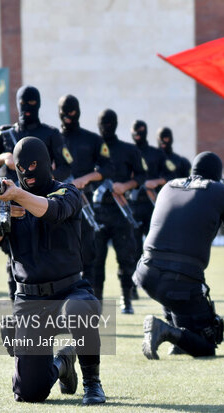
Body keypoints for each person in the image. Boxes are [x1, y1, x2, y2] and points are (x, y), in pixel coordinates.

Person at [0, 137, 105, 405]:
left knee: (79, 311)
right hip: (30, 302)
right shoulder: (9, 201)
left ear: (46, 164)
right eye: (21, 168)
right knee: (29, 394)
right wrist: (1, 215)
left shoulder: (67, 192)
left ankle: (93, 384)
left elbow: (53, 211)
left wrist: (17, 195)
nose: (27, 173)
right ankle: (62, 364)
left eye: (33, 165)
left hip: (69, 293)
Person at [133, 151, 224, 359]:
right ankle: (166, 330)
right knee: (206, 344)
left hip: (146, 274)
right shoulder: (219, 191)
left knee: (175, 290)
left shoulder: (168, 186)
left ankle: (175, 334)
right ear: (217, 175)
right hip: (179, 280)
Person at [0, 85, 73, 300]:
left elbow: (67, 166)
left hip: (43, 201)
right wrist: (2, 158)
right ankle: (19, 306)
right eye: (23, 104)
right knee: (14, 257)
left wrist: (45, 179)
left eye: (31, 104)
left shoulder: (50, 134)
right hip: (12, 205)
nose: (27, 109)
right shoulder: (5, 133)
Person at [92, 109, 146, 314]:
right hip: (96, 211)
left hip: (121, 211)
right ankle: (96, 303)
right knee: (96, 261)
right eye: (102, 123)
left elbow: (141, 175)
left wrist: (126, 186)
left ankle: (127, 299)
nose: (106, 127)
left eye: (109, 123)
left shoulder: (128, 150)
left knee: (125, 258)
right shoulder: (92, 147)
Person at [58, 94, 114, 287]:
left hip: (85, 202)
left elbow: (108, 168)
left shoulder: (92, 139)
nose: (67, 116)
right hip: (58, 202)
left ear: (78, 112)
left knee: (88, 254)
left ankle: (87, 299)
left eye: (71, 112)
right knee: (60, 253)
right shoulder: (53, 139)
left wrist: (86, 179)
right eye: (64, 112)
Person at [130, 119, 175, 263]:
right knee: (133, 248)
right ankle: (132, 284)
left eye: (140, 130)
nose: (137, 134)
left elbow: (171, 175)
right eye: (135, 130)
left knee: (154, 246)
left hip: (152, 204)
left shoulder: (157, 154)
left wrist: (156, 182)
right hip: (132, 205)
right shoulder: (127, 152)